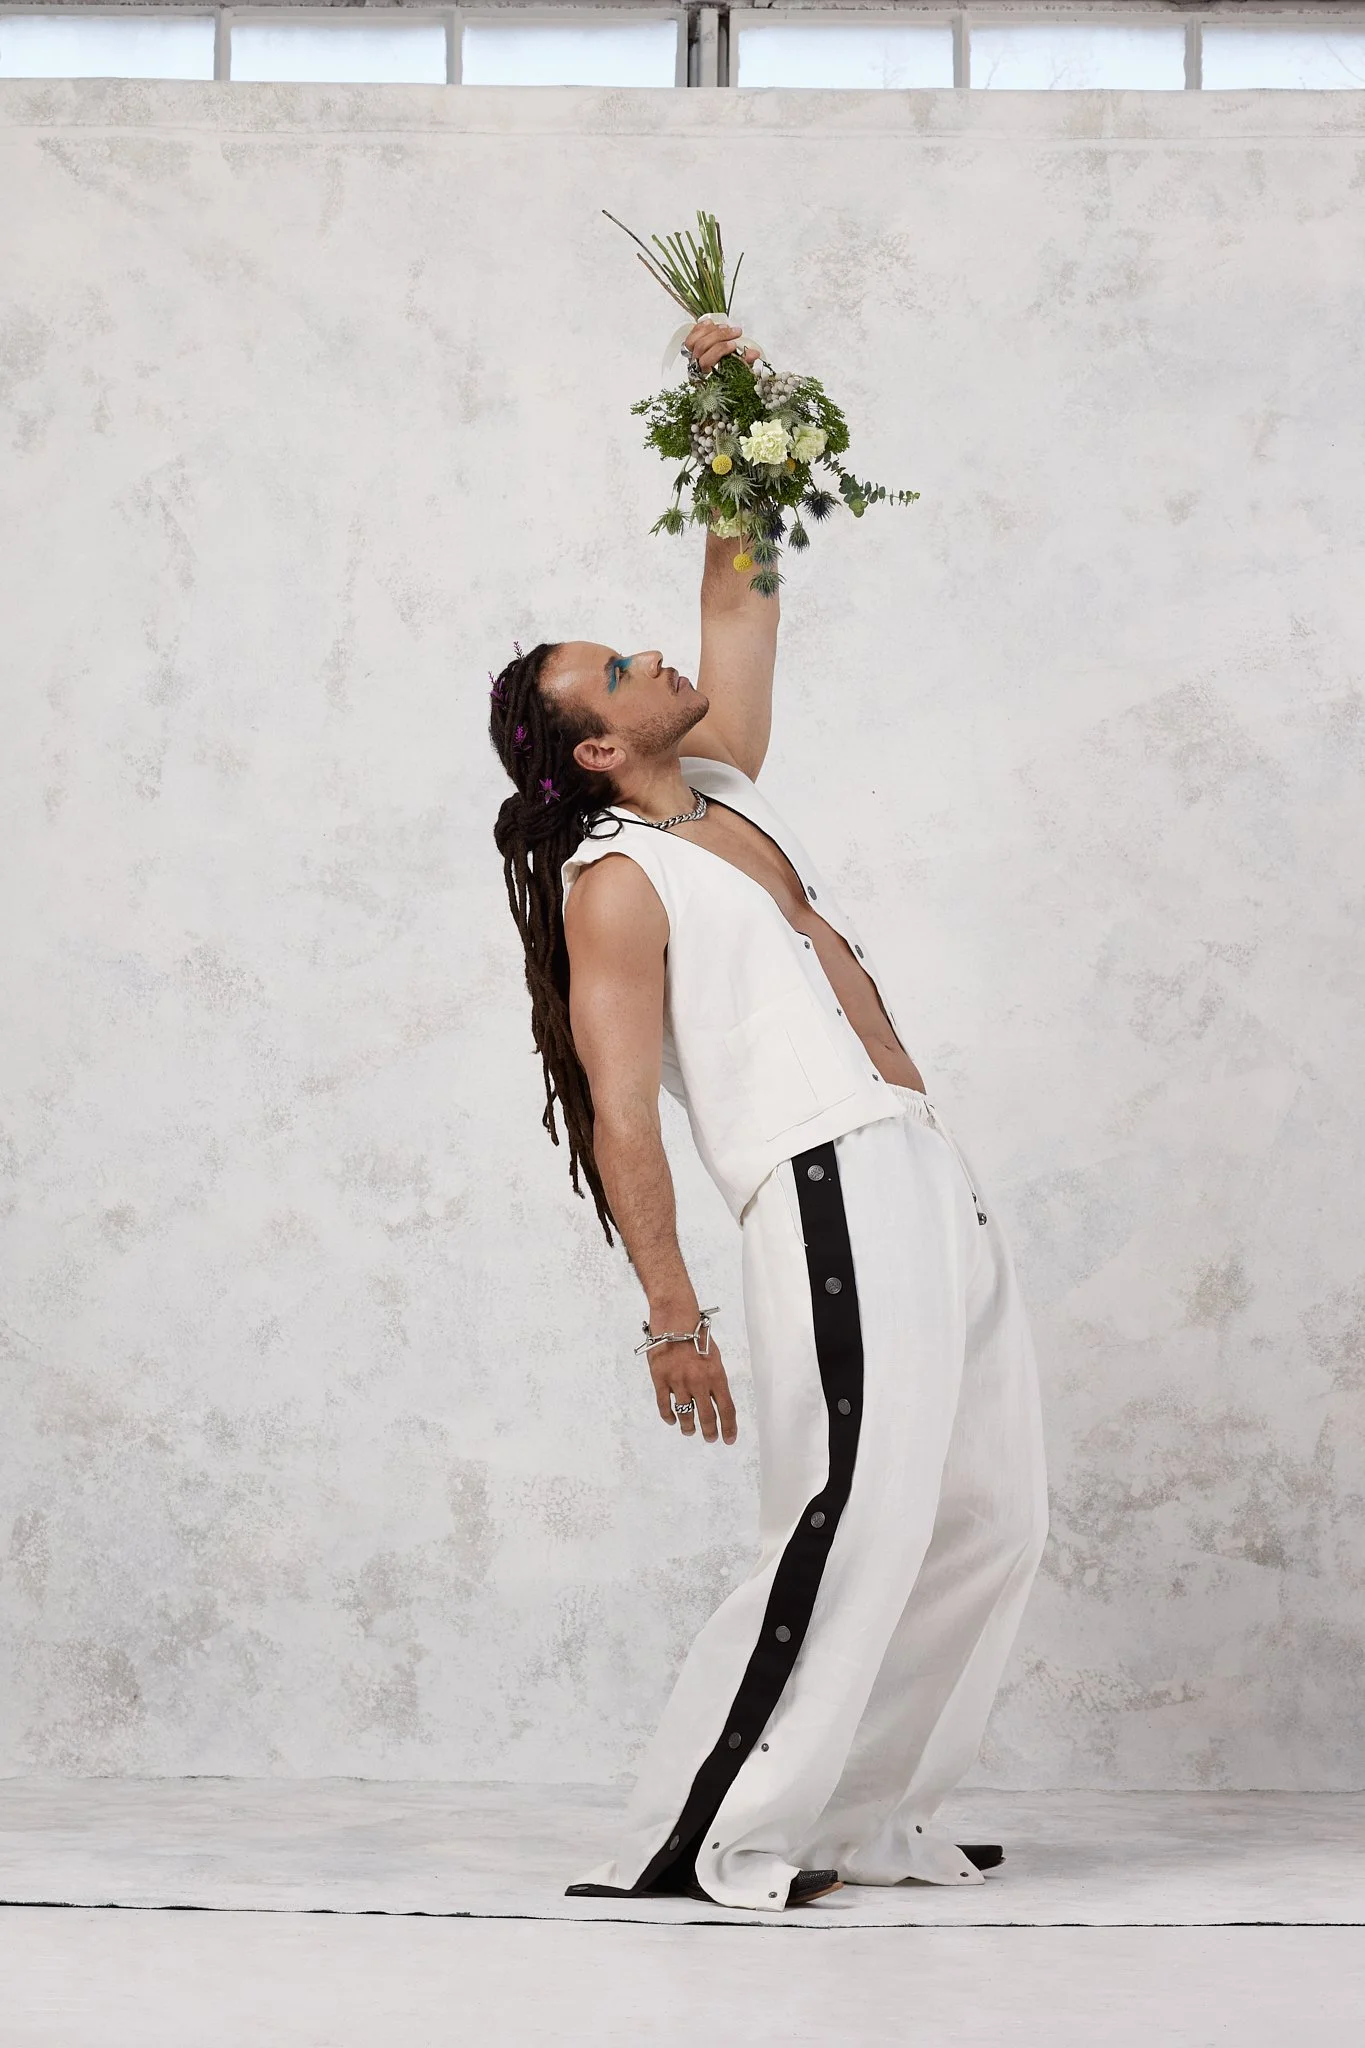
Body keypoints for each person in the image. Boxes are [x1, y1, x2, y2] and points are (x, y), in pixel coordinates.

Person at [488, 317, 1049, 1915]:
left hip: (915, 1156)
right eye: (617, 671)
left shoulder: (719, 788)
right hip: (819, 1182)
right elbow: (621, 1114)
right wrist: (673, 1316)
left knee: (992, 1512)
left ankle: (866, 1814)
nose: (650, 658)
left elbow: (739, 600)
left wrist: (728, 415)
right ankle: (705, 1831)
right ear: (600, 747)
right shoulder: (616, 883)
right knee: (847, 1511)